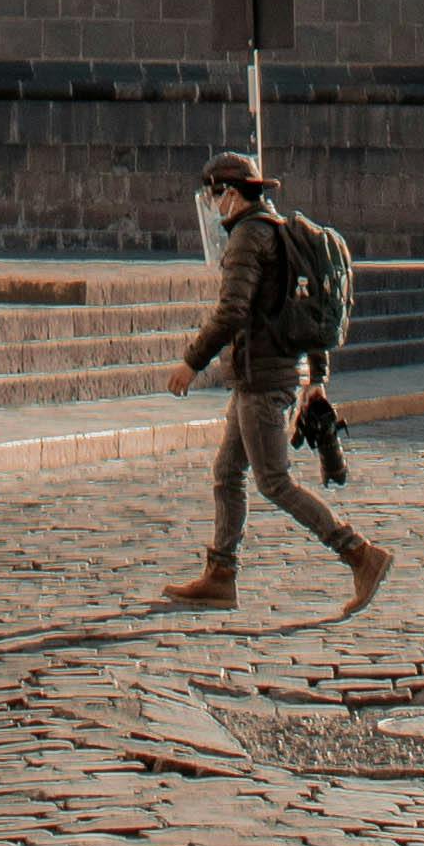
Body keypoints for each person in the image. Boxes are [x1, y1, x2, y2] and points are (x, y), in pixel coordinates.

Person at [157, 151, 391, 611]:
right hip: (269, 374)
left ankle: (359, 554)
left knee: (273, 481)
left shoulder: (247, 238)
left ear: (229, 194)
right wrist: (316, 377)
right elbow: (309, 305)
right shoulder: (283, 232)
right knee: (227, 473)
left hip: (263, 378)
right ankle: (220, 574)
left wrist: (192, 361)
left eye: (213, 194)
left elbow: (232, 311)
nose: (211, 203)